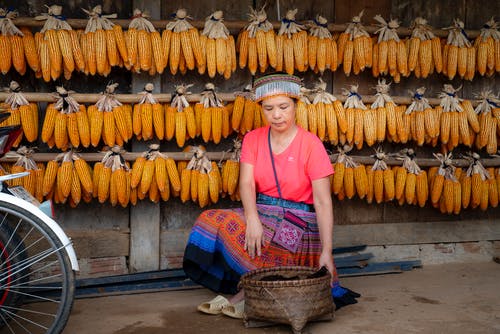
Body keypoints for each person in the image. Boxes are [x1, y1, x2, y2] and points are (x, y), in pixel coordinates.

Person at [183, 73, 360, 319]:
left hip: (300, 220)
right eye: (269, 109)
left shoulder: (311, 145)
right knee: (211, 219)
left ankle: (243, 296)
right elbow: (246, 184)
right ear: (261, 110)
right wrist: (252, 218)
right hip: (263, 211)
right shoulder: (253, 139)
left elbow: (322, 201)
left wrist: (327, 251)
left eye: (283, 107)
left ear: (296, 106)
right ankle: (243, 286)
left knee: (280, 244)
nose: (277, 115)